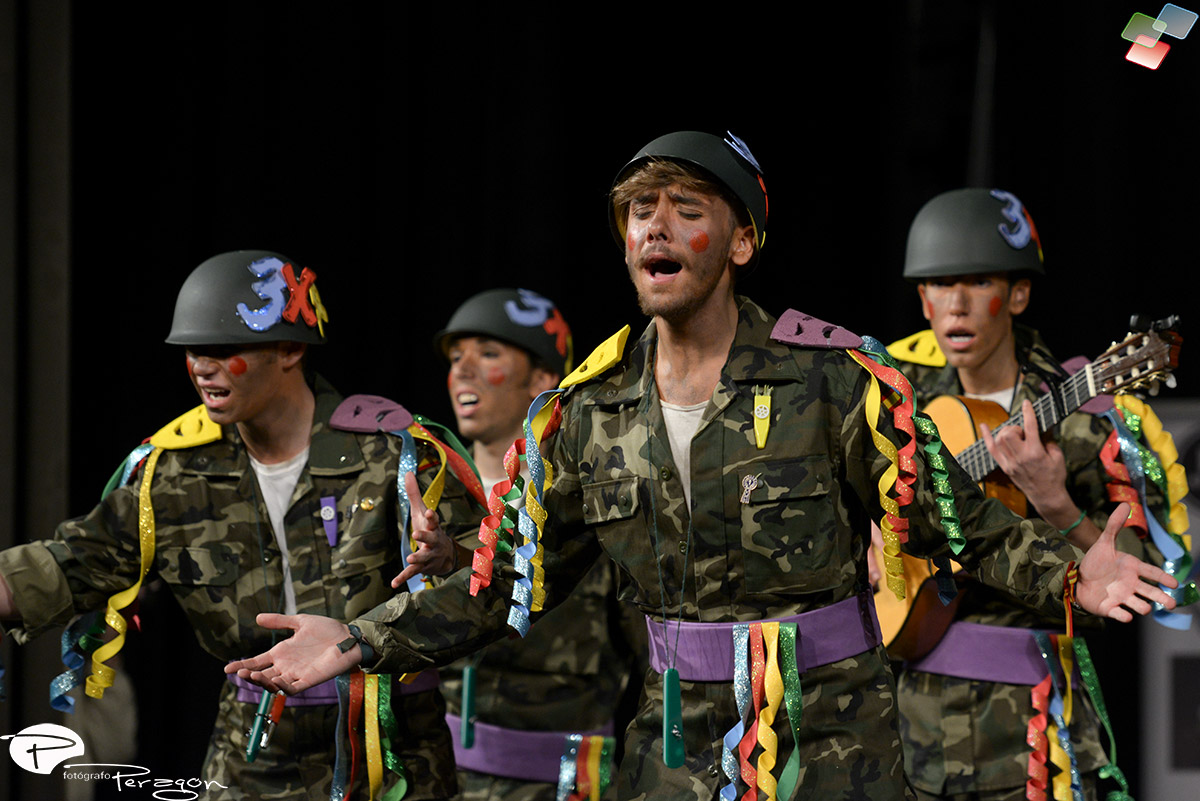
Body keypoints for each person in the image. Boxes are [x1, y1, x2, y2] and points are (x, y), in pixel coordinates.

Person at [226, 135, 1177, 801]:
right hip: (674, 748)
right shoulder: (585, 412)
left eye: (687, 211)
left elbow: (946, 519)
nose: (656, 229)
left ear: (741, 241)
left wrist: (1072, 570)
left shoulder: (835, 379)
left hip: (836, 745)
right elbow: (505, 583)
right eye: (640, 212)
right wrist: (357, 638)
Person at [0, 251, 471, 800]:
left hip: (391, 755)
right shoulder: (173, 473)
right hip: (251, 758)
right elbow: (72, 563)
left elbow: (494, 586)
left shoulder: (395, 455)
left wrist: (451, 557)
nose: (203, 366)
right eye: (194, 351)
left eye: (225, 350)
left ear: (290, 349)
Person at [884, 188, 1191, 801]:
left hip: (1034, 734)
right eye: (940, 285)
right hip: (909, 727)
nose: (956, 305)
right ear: (922, 299)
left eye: (979, 282)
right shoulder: (898, 403)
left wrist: (1056, 502)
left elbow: (1160, 583)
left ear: (1019, 294)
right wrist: (876, 540)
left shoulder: (1096, 419)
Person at [433, 287, 643, 800]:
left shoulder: (586, 498)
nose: (463, 371)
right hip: (445, 781)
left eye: (488, 354)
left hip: (566, 783)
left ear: (543, 378)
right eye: (456, 357)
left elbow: (652, 654)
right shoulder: (429, 494)